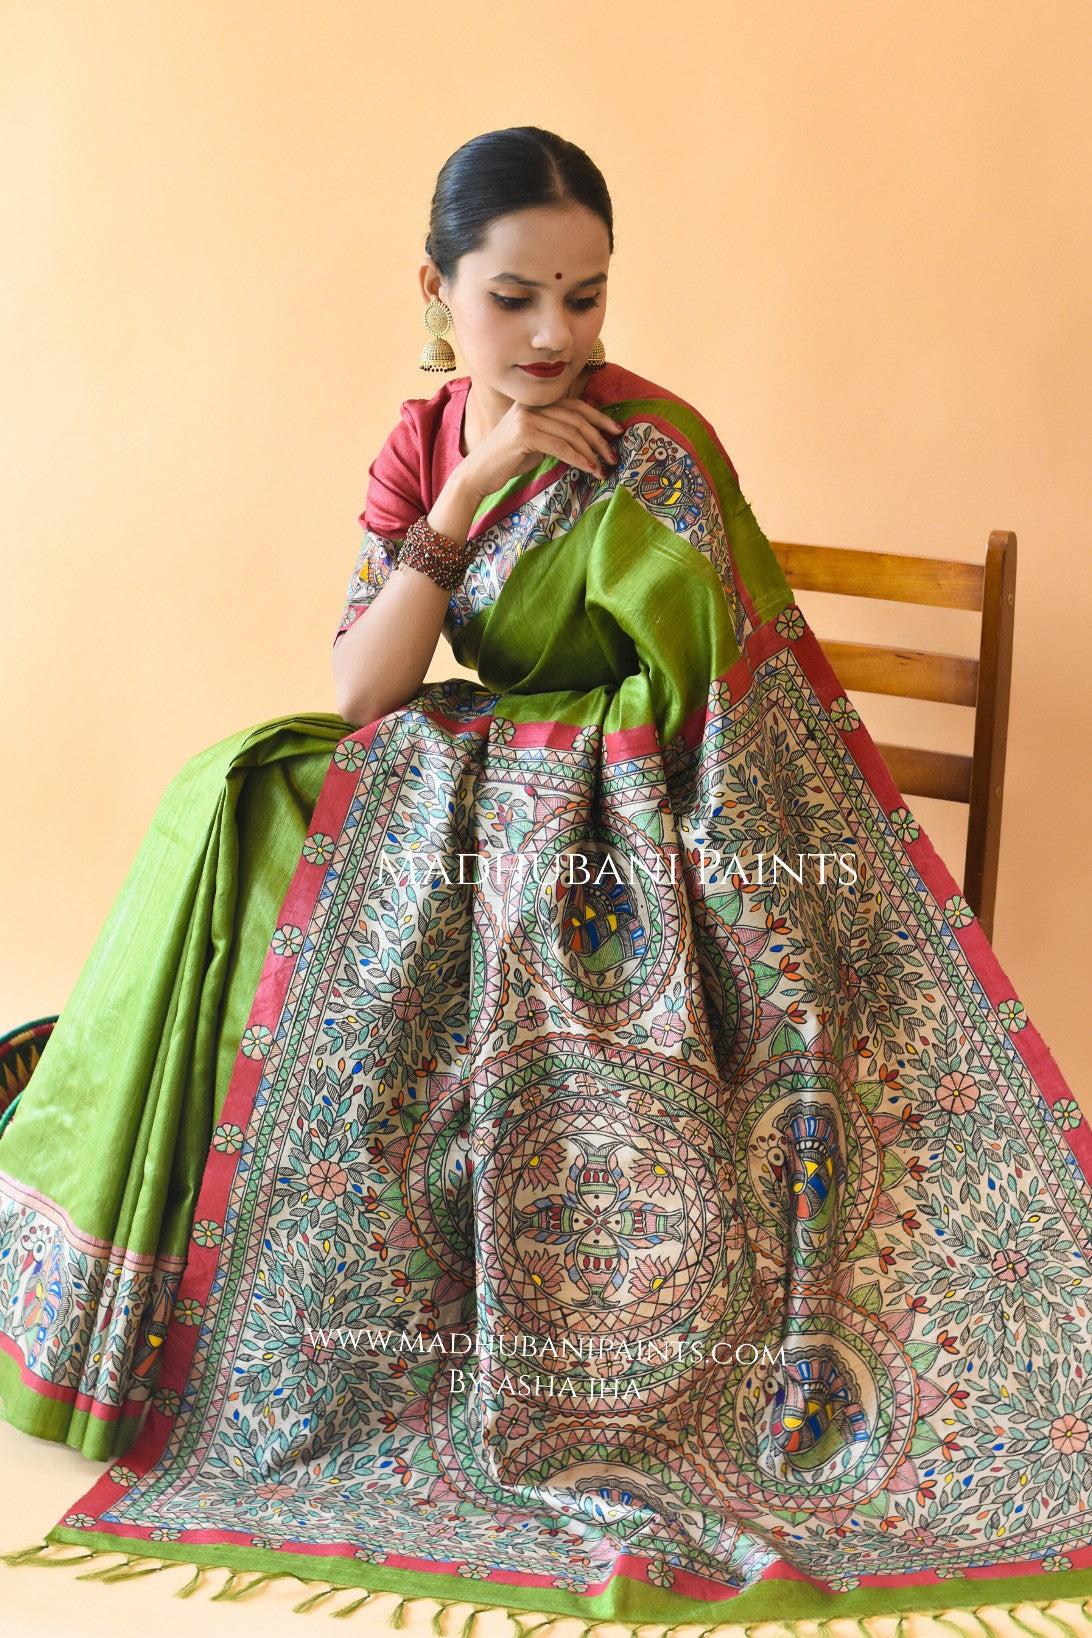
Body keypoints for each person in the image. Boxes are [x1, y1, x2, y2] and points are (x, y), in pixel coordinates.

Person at [2, 127, 1091, 1638]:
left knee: (361, 850)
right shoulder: (428, 441)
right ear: (437, 291)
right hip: (488, 792)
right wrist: (469, 492)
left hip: (650, 824)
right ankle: (168, 1297)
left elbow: (722, 714)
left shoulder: (659, 452)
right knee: (233, 797)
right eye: (514, 297)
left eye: (586, 296)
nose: (554, 335)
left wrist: (559, 769)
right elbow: (363, 691)